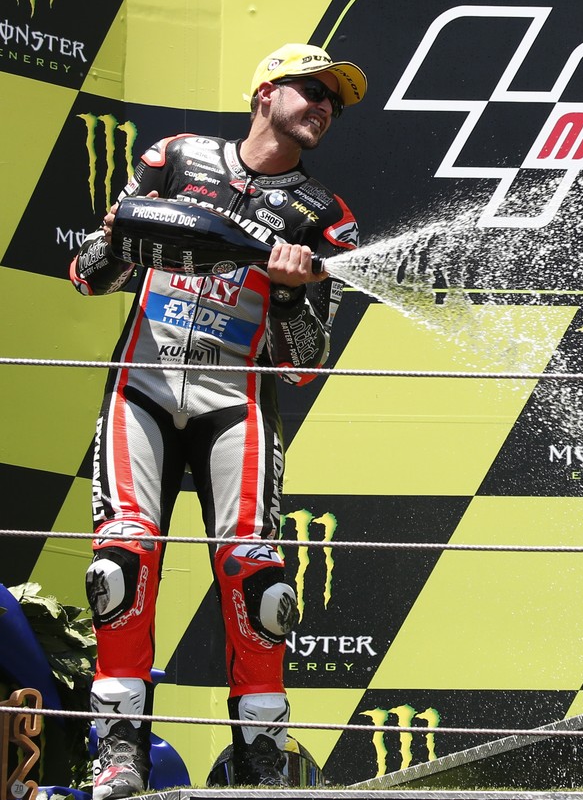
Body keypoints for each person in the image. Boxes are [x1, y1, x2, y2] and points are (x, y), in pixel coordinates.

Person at [68, 43, 365, 797]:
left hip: (237, 400)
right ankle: (120, 750)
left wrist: (293, 291)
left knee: (258, 576)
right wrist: (115, 237)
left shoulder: (325, 215)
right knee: (120, 563)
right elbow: (88, 277)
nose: (324, 104)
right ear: (266, 91)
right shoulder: (176, 156)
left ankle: (260, 756)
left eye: (335, 98)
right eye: (311, 89)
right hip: (143, 383)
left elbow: (302, 364)